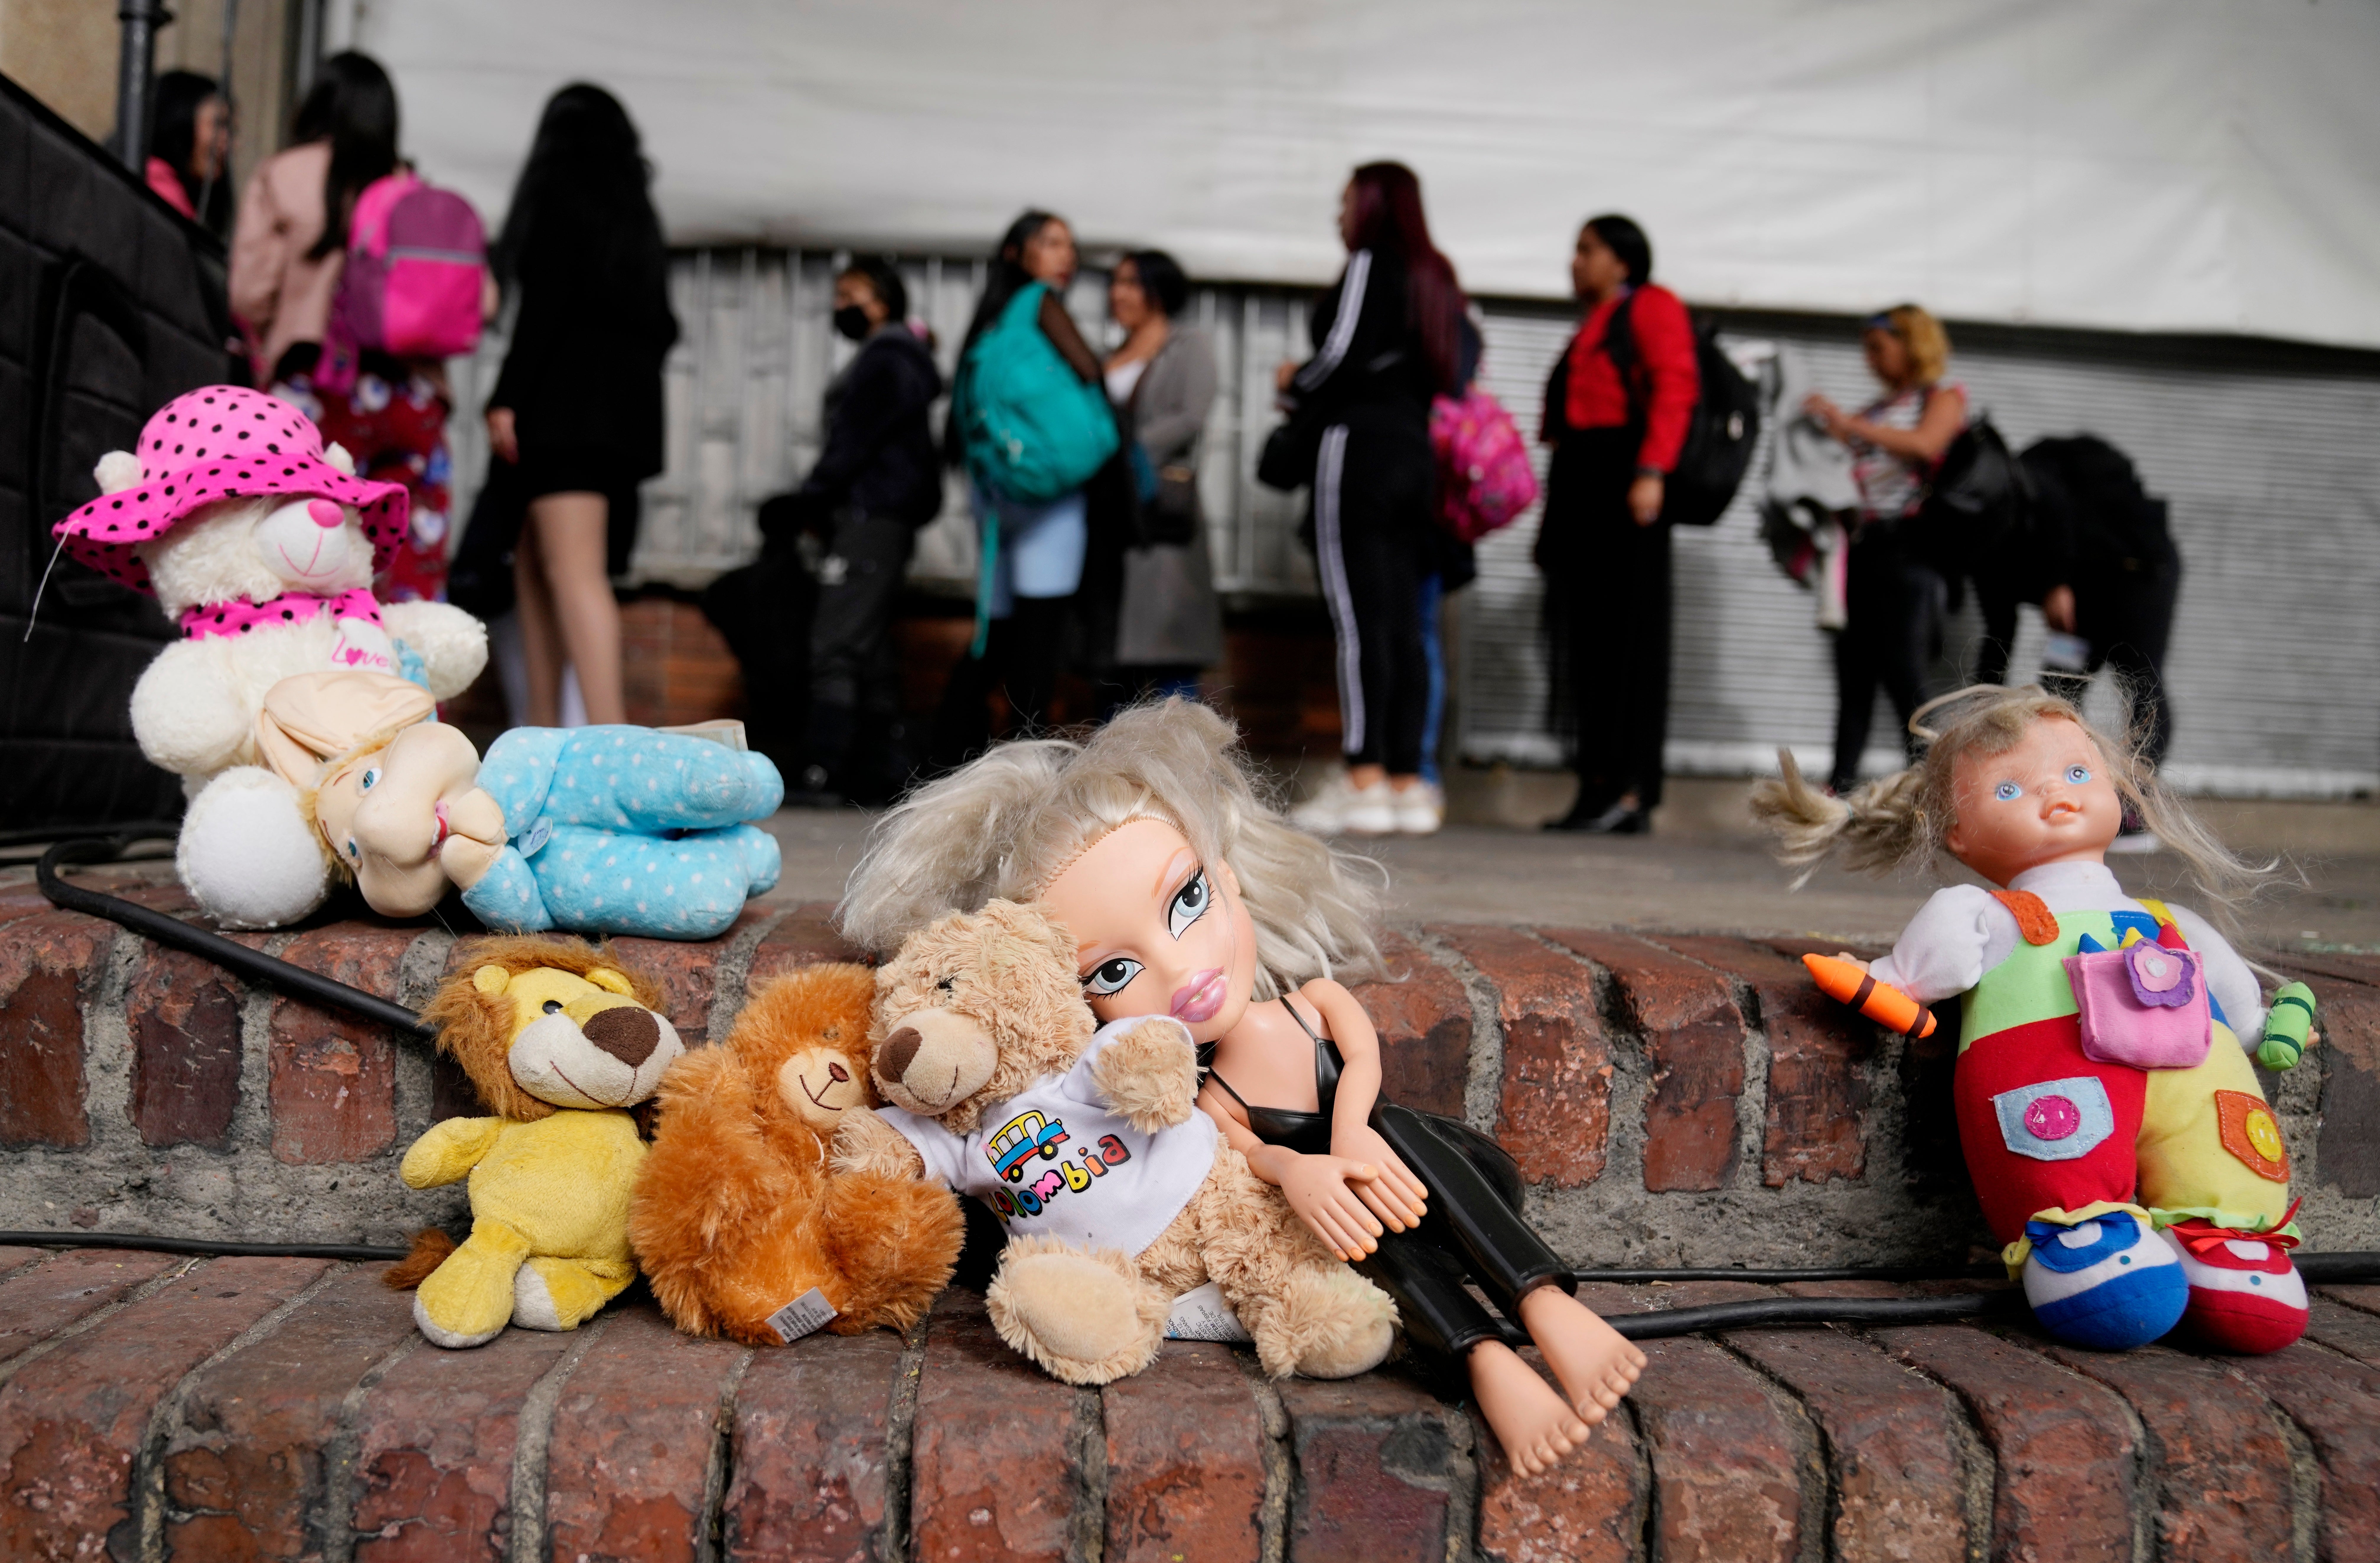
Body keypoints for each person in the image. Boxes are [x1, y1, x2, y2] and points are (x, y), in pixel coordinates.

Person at [838, 699, 1646, 1480]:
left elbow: (1362, 1061)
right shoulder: (1194, 1098)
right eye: (1113, 972)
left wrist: (1351, 1131)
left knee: (1399, 1140)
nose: (1181, 971)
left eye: (1187, 900)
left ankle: (1544, 1301)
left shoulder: (1309, 1005)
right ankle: (1483, 1358)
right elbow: (1244, 1153)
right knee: (1361, 1242)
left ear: (1226, 878)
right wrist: (1300, 1170)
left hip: (1431, 1168)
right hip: (1335, 1207)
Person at [1751, 684, 2306, 1355]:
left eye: (2076, 772)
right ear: (1957, 833)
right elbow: (1926, 970)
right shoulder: (1983, 914)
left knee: (2220, 1137)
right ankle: (2082, 1237)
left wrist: (2261, 1026)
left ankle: (2230, 1234)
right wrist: (1888, 981)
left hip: (2196, 1068)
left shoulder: (2172, 920)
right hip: (2062, 1081)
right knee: (2062, 1152)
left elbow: (2239, 1003)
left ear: (2116, 791)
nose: (2055, 793)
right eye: (2009, 789)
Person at [228, 51, 459, 604]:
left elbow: (249, 293)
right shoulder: (413, 189)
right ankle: (410, 661)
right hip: (410, 396)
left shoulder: (283, 173)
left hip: (314, 389)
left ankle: (302, 657)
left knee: (299, 555)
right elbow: (477, 299)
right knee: (408, 563)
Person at [1277, 163, 1465, 838]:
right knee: (1403, 623)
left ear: (1375, 204)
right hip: (1415, 455)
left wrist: (1295, 380)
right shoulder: (1436, 276)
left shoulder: (1369, 263)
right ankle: (1406, 784)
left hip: (1358, 449)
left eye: (1346, 201)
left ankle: (1363, 780)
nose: (1339, 215)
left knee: (1359, 621)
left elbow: (1340, 353)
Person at [482, 84, 679, 727]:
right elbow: (663, 327)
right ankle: (543, 733)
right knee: (539, 568)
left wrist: (507, 397)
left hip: (564, 416)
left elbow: (543, 311)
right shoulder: (635, 217)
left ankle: (607, 737)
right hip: (615, 426)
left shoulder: (563, 198)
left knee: (570, 572)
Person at [1535, 215, 1699, 835]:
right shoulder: (1593, 323)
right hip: (1582, 485)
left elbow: (1675, 386)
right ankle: (1595, 784)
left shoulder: (1652, 306)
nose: (1575, 261)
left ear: (1622, 261)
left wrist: (1651, 470)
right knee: (1585, 643)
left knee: (1628, 638)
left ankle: (1631, 791)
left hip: (1624, 483)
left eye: (1587, 250)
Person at [930, 210, 1105, 767]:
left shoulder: (992, 317)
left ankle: (942, 757)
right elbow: (1090, 370)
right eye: (1050, 243)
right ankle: (1030, 770)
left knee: (996, 636)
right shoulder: (1040, 303)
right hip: (1047, 499)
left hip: (995, 493)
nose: (1065, 256)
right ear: (1016, 252)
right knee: (1039, 642)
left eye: (1069, 246)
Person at [778, 256, 943, 804]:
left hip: (870, 516)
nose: (839, 306)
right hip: (880, 517)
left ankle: (823, 768)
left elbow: (853, 438)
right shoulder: (896, 355)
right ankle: (883, 773)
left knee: (836, 642)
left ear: (882, 300)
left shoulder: (887, 358)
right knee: (867, 647)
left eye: (850, 296)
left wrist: (811, 496)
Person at [1803, 304, 1967, 793]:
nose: (1869, 360)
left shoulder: (1941, 398)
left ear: (1911, 344)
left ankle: (1930, 786)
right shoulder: (1874, 411)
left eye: (1878, 348)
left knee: (1903, 671)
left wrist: (1849, 426)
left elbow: (1924, 445)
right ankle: (1840, 789)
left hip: (1908, 550)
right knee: (1853, 675)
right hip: (1861, 549)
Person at [1084, 249, 1223, 713]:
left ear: (1159, 291)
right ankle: (1113, 756)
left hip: (1159, 509)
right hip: (1110, 517)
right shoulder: (1105, 356)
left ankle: (1178, 755)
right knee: (1111, 654)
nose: (1117, 293)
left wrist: (1125, 451)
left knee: (1171, 648)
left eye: (1131, 283)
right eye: (1115, 282)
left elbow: (1191, 415)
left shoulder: (1188, 345)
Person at [144, 69, 233, 235]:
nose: (227, 142)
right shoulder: (158, 187)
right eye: (218, 125)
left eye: (230, 130)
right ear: (179, 122)